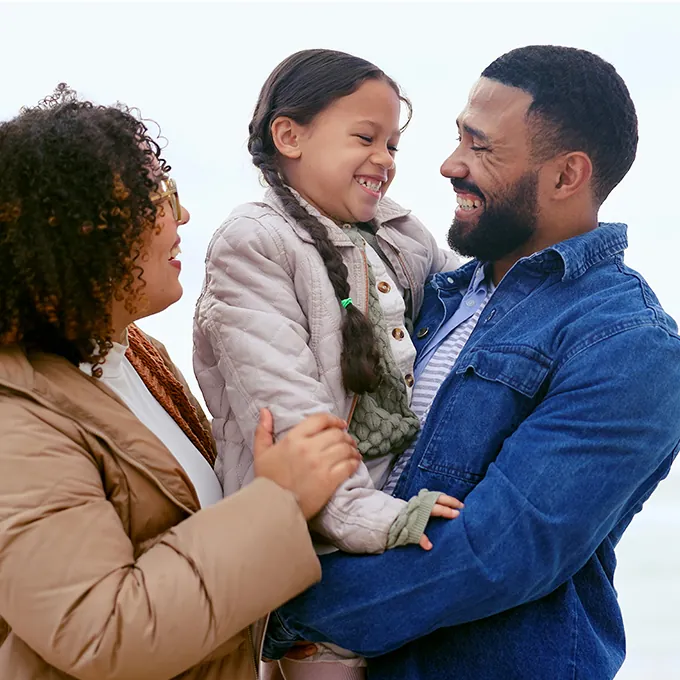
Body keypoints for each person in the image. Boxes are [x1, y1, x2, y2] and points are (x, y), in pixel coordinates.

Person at [262, 45, 680, 680]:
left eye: (482, 148)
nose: (448, 164)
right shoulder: (433, 292)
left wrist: (276, 610)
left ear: (567, 176)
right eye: (459, 136)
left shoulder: (630, 342)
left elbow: (499, 551)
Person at [0, 85, 361, 680]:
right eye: (158, 197)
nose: (183, 215)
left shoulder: (137, 358)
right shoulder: (18, 417)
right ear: (83, 231)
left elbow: (200, 561)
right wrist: (279, 503)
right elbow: (104, 633)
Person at [193, 49, 463, 679]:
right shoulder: (253, 243)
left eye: (393, 143)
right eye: (365, 137)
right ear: (289, 136)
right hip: (314, 552)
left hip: (389, 509)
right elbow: (290, 414)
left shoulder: (398, 233)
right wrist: (375, 519)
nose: (386, 160)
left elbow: (474, 296)